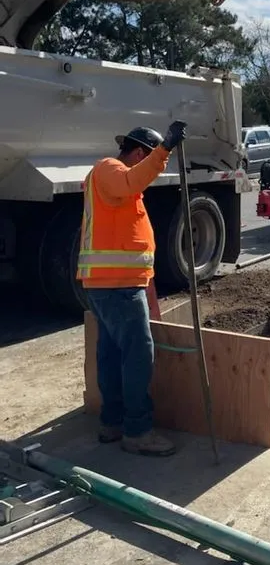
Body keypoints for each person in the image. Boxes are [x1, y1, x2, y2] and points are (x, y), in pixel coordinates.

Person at [78, 121, 187, 457]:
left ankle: (112, 422)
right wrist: (165, 149)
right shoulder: (110, 169)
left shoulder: (119, 188)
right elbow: (132, 179)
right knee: (138, 356)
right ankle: (137, 430)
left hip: (115, 285)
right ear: (139, 153)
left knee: (111, 354)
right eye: (150, 158)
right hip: (118, 287)